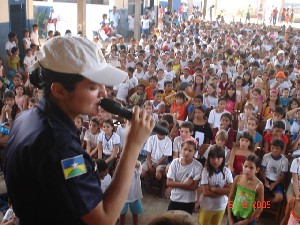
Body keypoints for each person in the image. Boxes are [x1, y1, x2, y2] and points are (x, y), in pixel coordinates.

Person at [4, 36, 155, 225]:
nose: (104, 93)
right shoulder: (61, 147)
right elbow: (104, 219)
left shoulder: (24, 118)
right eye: (93, 87)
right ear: (59, 91)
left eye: (103, 85)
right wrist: (133, 144)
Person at [197, 145, 233, 225]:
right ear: (209, 158)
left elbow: (231, 190)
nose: (215, 161)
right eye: (212, 157)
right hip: (206, 207)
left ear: (223, 158)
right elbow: (206, 192)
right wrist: (224, 191)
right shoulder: (205, 171)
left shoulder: (226, 171)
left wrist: (214, 189)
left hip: (221, 206)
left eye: (219, 158)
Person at [167, 139, 202, 214]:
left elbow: (194, 187)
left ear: (194, 152)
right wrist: (185, 184)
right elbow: (169, 182)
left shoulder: (198, 166)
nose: (187, 152)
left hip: (189, 201)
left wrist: (175, 184)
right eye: (185, 149)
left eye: (190, 151)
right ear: (181, 149)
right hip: (175, 198)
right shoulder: (175, 162)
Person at [228, 155, 264, 225]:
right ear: (242, 166)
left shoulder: (259, 186)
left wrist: (246, 221)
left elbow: (260, 207)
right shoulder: (237, 178)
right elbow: (230, 197)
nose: (247, 170)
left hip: (248, 219)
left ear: (257, 170)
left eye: (251, 168)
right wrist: (229, 218)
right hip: (233, 215)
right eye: (245, 166)